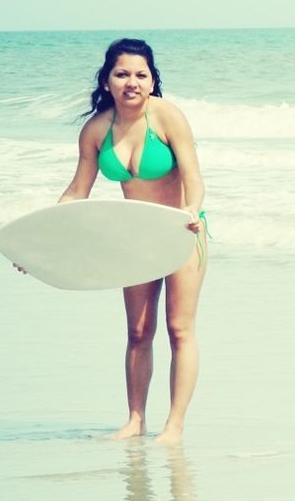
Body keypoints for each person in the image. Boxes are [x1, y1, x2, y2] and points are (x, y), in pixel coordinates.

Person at [58, 38, 208, 444]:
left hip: (181, 231)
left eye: (141, 75)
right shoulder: (96, 130)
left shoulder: (167, 117)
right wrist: (40, 240)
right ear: (107, 80)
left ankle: (174, 425)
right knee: (138, 332)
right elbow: (76, 193)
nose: (132, 82)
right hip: (136, 238)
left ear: (152, 80)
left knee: (180, 329)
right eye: (122, 74)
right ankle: (135, 420)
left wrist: (192, 211)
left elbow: (194, 177)